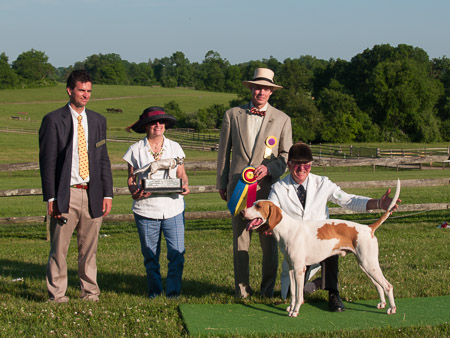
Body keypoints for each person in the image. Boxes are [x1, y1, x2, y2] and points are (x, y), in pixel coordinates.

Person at [268, 142, 400, 311]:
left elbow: (349, 200)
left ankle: (333, 293)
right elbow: (270, 212)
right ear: (289, 164)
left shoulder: (323, 183)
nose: (302, 169)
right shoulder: (278, 188)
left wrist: (379, 203)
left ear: (311, 165)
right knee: (287, 293)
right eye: (297, 164)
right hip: (296, 246)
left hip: (323, 241)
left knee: (331, 244)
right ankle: (312, 286)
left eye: (306, 165)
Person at [216, 68, 293, 298]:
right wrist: (222, 182)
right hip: (238, 189)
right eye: (257, 87)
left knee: (269, 243)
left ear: (271, 92)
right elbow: (223, 152)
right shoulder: (232, 115)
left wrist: (268, 169)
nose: (261, 92)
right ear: (251, 88)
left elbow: (285, 156)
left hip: (268, 192)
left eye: (266, 88)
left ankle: (267, 290)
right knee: (240, 242)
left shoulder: (282, 119)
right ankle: (242, 290)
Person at [39, 69, 113, 303]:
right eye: (81, 90)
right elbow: (47, 161)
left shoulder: (98, 121)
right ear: (70, 90)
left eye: (89, 91)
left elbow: (103, 159)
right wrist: (51, 197)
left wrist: (108, 193)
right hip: (65, 193)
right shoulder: (53, 120)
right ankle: (57, 294)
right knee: (59, 249)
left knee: (89, 250)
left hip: (92, 193)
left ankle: (90, 292)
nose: (86, 95)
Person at [123, 106, 190, 298]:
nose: (158, 125)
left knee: (176, 254)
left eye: (161, 122)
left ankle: (173, 293)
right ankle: (154, 292)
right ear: (146, 126)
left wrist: (184, 185)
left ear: (166, 125)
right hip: (146, 210)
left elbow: (182, 174)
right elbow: (130, 179)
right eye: (153, 122)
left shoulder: (175, 147)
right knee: (151, 256)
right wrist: (134, 192)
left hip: (174, 208)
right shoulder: (135, 150)